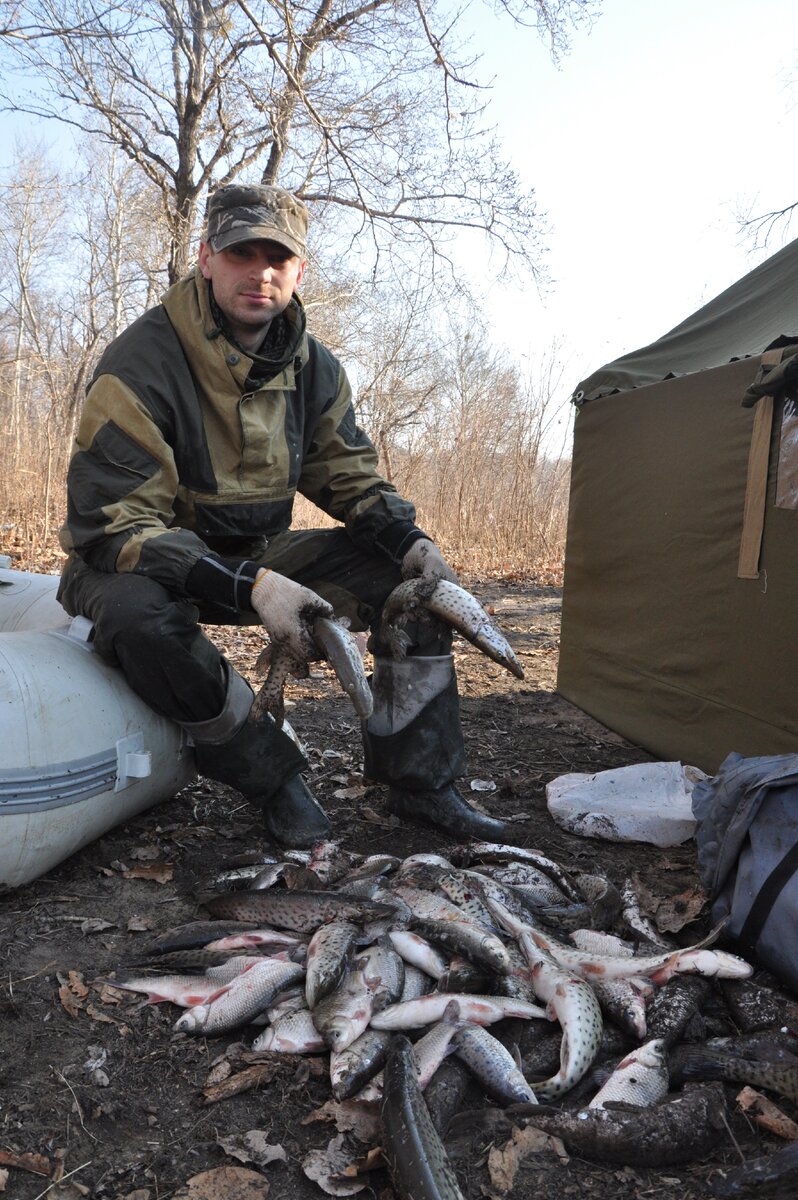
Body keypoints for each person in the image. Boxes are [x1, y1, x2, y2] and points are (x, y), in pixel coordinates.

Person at [58, 183, 508, 848]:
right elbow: (118, 527)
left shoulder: (316, 366)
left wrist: (408, 540)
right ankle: (272, 779)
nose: (259, 273)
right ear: (207, 256)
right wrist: (251, 588)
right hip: (129, 561)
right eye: (242, 254)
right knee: (137, 616)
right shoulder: (142, 363)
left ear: (300, 271)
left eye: (278, 258)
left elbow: (346, 473)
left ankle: (422, 787)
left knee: (409, 585)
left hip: (257, 550)